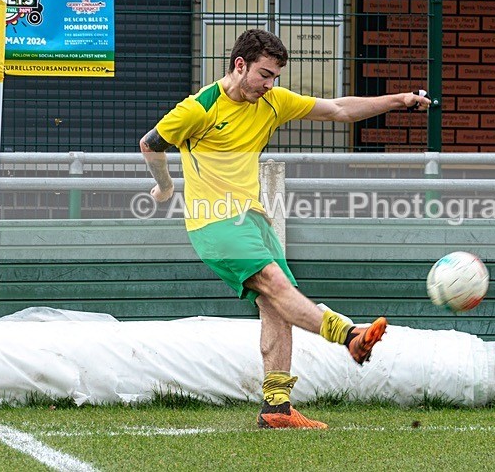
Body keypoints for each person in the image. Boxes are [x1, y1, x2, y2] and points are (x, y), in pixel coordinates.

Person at [139, 29, 430, 429]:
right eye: (264, 74)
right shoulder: (199, 108)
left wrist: (397, 100)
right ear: (239, 65)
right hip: (215, 221)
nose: (270, 84)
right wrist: (168, 185)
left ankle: (276, 409)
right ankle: (349, 336)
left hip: (254, 218)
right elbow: (151, 143)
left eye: (275, 76)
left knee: (276, 307)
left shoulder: (272, 102)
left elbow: (339, 109)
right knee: (277, 285)